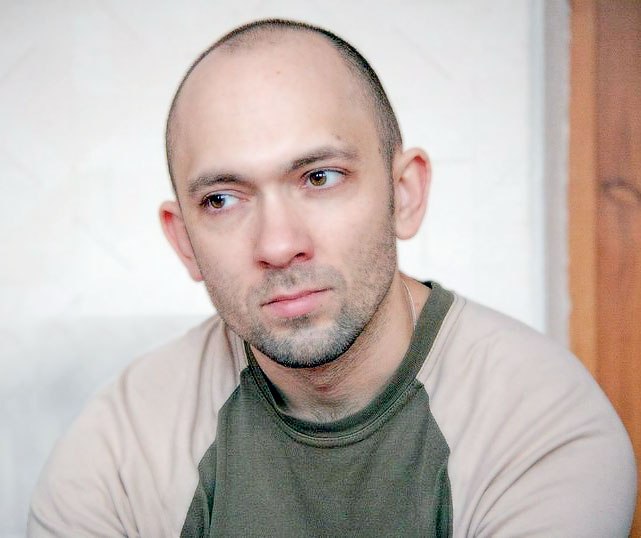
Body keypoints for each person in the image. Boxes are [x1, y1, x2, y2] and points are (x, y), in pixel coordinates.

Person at [28, 19, 636, 537]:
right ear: (184, 241)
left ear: (404, 194)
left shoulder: (541, 430)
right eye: (222, 199)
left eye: (320, 177)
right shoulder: (116, 450)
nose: (278, 245)